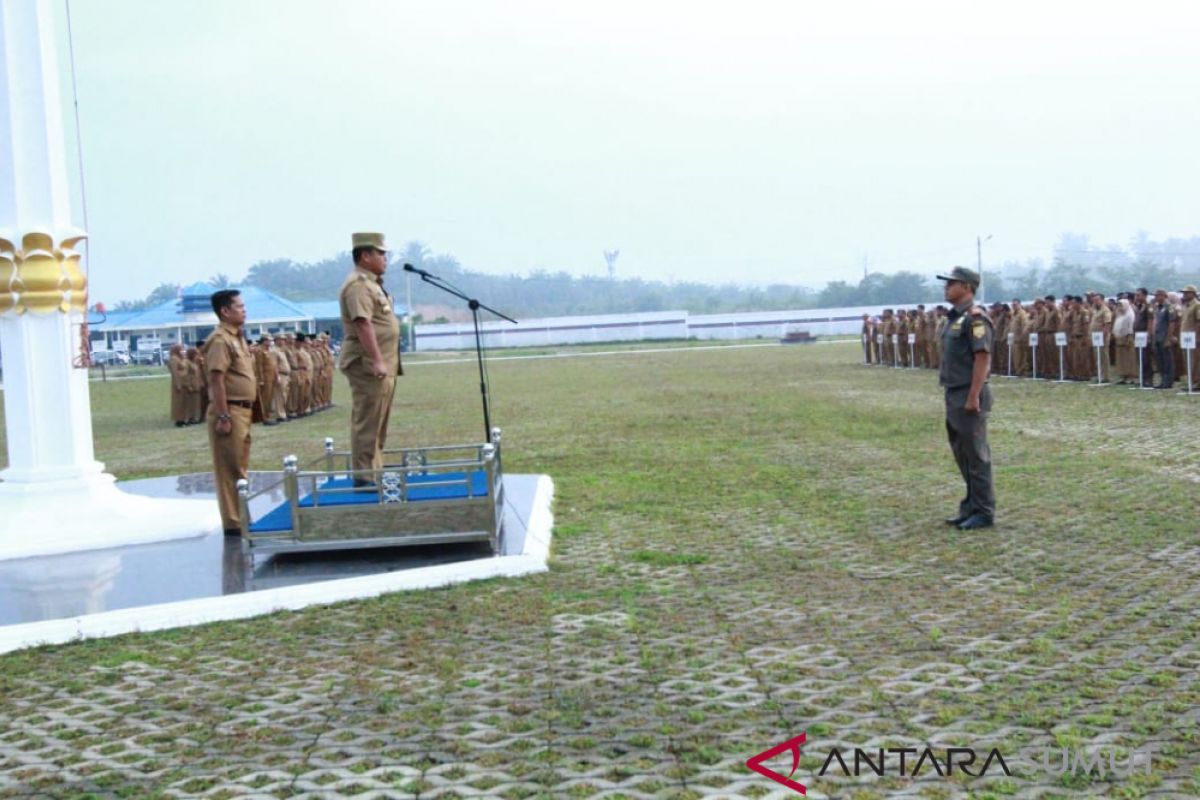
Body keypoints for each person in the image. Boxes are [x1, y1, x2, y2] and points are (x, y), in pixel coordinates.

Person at [339, 232, 403, 484]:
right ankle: (365, 476)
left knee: (378, 421)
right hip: (368, 364)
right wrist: (377, 359)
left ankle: (374, 470)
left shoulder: (373, 284)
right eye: (381, 253)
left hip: (384, 363)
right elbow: (363, 324)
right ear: (365, 256)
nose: (385, 258)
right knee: (368, 419)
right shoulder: (358, 285)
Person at [936, 266, 994, 531]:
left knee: (976, 454)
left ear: (967, 287)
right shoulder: (954, 318)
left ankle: (983, 511)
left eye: (952, 283)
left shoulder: (975, 319)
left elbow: (982, 358)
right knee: (963, 454)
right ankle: (971, 506)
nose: (947, 287)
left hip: (969, 393)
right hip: (954, 391)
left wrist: (973, 396)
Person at [201, 289, 256, 536]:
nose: (244, 310)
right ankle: (234, 523)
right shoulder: (221, 339)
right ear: (225, 311)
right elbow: (216, 379)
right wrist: (223, 415)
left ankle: (241, 515)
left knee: (239, 467)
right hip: (230, 410)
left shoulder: (237, 337)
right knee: (229, 469)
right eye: (239, 306)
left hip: (243, 410)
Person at [167, 344, 189, 427]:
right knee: (178, 403)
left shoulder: (180, 359)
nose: (182, 351)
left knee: (183, 403)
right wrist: (178, 385)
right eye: (181, 350)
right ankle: (179, 420)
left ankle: (183, 419)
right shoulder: (174, 359)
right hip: (178, 384)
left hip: (184, 383)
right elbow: (175, 373)